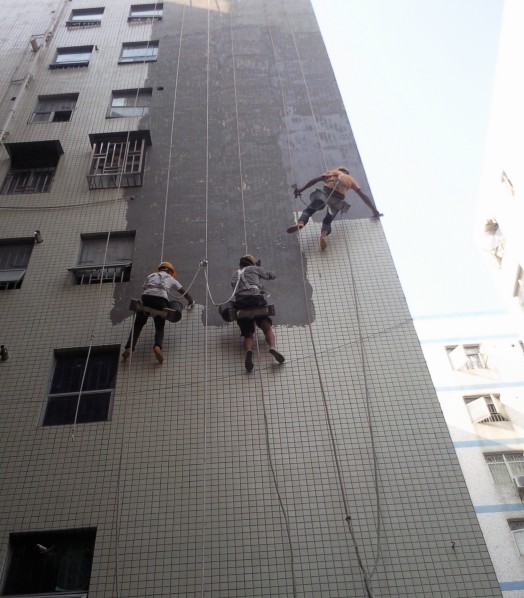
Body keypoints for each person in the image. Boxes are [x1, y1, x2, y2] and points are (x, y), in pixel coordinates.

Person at [288, 166, 382, 250]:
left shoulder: (334, 172)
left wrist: (301, 189)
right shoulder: (351, 179)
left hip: (325, 195)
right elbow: (363, 196)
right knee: (327, 221)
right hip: (337, 201)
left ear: (339, 170)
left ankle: (301, 223)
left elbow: (316, 180)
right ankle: (324, 235)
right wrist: (374, 210)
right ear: (347, 173)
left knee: (309, 211)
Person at [122, 261, 195, 364]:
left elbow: (145, 287)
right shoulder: (170, 278)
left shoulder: (151, 275)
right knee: (159, 327)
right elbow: (184, 292)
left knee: (138, 324)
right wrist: (191, 301)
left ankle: (129, 347)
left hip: (146, 298)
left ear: (160, 269)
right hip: (160, 300)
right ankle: (157, 347)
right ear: (169, 270)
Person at [231, 255, 285, 372]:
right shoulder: (254, 268)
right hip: (256, 301)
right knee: (267, 328)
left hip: (241, 304)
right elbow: (269, 276)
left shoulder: (235, 275)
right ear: (252, 263)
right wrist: (276, 272)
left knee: (248, 334)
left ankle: (249, 351)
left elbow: (235, 289)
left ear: (241, 265)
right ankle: (272, 347)